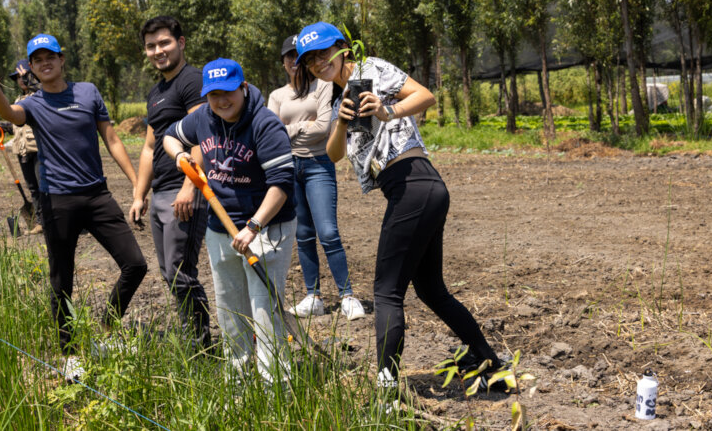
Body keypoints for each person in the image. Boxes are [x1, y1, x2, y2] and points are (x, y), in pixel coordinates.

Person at [293, 22, 504, 389]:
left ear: (343, 48)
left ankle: (386, 387)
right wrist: (341, 124)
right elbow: (333, 154)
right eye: (310, 60)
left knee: (386, 291)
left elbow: (425, 95)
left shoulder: (370, 69)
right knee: (430, 289)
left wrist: (387, 110)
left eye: (324, 53)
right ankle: (488, 360)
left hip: (413, 183)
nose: (318, 62)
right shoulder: (335, 96)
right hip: (423, 190)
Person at [0, 34, 147, 384]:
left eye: (49, 56)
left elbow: (112, 139)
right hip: (58, 201)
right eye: (37, 60)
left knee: (135, 264)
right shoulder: (34, 104)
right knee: (62, 280)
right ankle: (68, 354)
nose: (44, 63)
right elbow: (9, 113)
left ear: (62, 58)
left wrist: (135, 185)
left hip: (98, 196)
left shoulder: (88, 92)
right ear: (33, 68)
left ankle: (105, 332)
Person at [162, 58, 295, 386]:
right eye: (213, 94)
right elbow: (169, 136)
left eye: (228, 92)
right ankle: (239, 382)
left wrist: (254, 226)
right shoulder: (203, 118)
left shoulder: (265, 124)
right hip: (220, 229)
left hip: (266, 227)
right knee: (230, 309)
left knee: (264, 310)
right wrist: (180, 157)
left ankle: (275, 387)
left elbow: (281, 185)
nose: (221, 101)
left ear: (244, 88)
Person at [268, 34, 364, 321]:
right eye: (290, 58)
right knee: (303, 234)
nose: (296, 63)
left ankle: (347, 295)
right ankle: (314, 297)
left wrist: (289, 127)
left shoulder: (323, 86)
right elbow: (272, 136)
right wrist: (301, 126)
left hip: (318, 164)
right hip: (288, 167)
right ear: (286, 62)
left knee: (328, 232)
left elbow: (324, 128)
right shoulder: (277, 96)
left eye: (302, 58)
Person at [129, 16, 211, 350]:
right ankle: (191, 336)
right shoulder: (157, 92)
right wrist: (138, 195)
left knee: (180, 270)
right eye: (151, 46)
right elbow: (149, 147)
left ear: (181, 42)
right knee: (169, 273)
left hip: (184, 190)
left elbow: (203, 136)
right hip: (161, 190)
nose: (158, 51)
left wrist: (189, 187)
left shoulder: (193, 81)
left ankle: (201, 347)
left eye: (164, 43)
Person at [0, 59, 43, 234]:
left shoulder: (40, 96)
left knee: (45, 187)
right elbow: (16, 123)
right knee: (33, 188)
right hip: (23, 151)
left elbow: (42, 90)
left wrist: (32, 80)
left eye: (24, 76)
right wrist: (2, 126)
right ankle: (41, 222)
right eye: (18, 78)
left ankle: (54, 219)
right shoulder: (19, 100)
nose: (21, 80)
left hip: (39, 150)